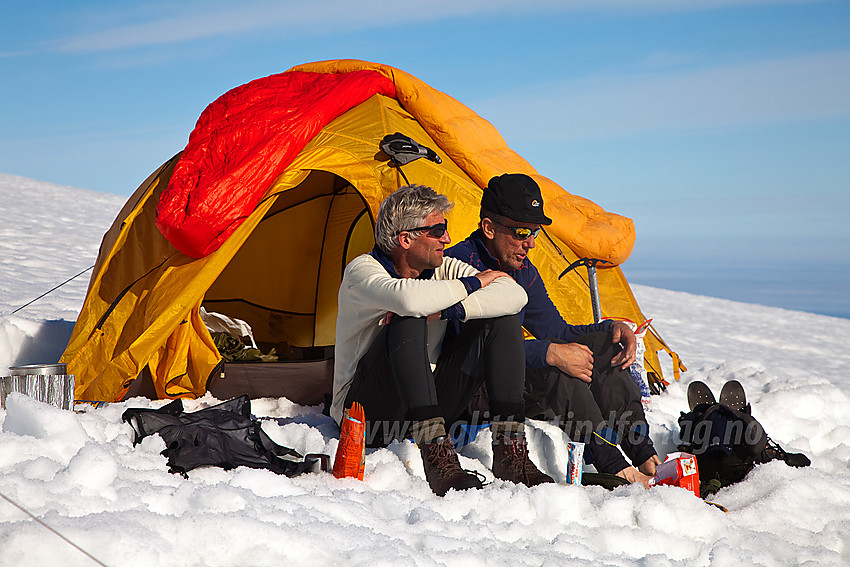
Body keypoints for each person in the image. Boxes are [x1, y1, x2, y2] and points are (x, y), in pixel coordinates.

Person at [332, 184, 554, 496]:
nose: (447, 239)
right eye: (437, 231)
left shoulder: (442, 268)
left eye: (445, 229)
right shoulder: (362, 271)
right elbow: (408, 300)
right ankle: (438, 459)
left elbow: (515, 295)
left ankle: (510, 451)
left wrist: (453, 309)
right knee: (409, 317)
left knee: (501, 318)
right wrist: (477, 281)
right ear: (405, 238)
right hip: (366, 416)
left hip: (429, 402)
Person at [445, 173, 662, 487]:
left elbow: (557, 330)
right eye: (521, 231)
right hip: (471, 387)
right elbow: (467, 352)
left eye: (534, 232)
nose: (530, 243)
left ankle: (644, 453)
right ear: (489, 227)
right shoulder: (460, 268)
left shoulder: (523, 269)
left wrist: (612, 329)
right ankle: (611, 465)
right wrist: (548, 353)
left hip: (507, 375)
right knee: (557, 371)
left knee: (603, 345)